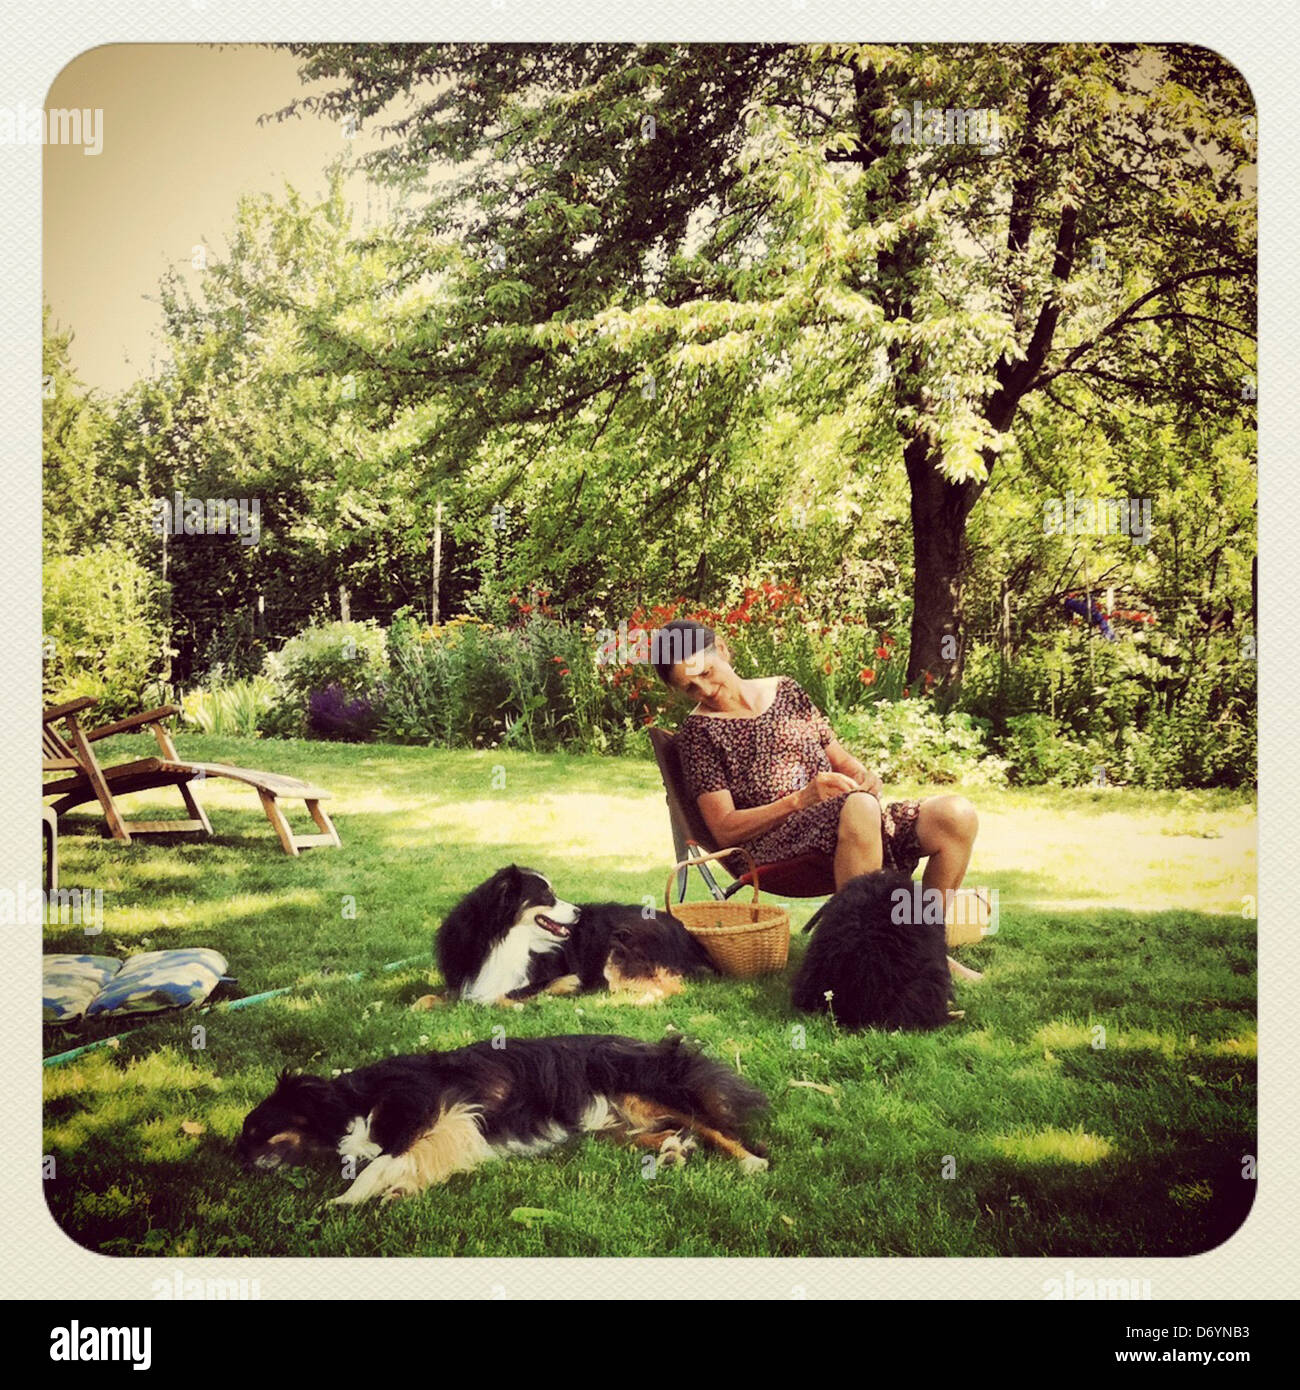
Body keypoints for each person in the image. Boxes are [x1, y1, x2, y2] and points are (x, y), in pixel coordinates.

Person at [651, 618, 982, 981]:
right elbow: (727, 830)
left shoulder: (787, 691)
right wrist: (802, 799)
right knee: (857, 808)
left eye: (707, 672)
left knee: (955, 814)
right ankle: (870, 964)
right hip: (775, 844)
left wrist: (864, 776)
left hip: (852, 816)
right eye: (690, 688)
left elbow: (841, 760)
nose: (706, 689)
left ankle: (926, 947)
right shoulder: (700, 735)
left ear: (724, 650)